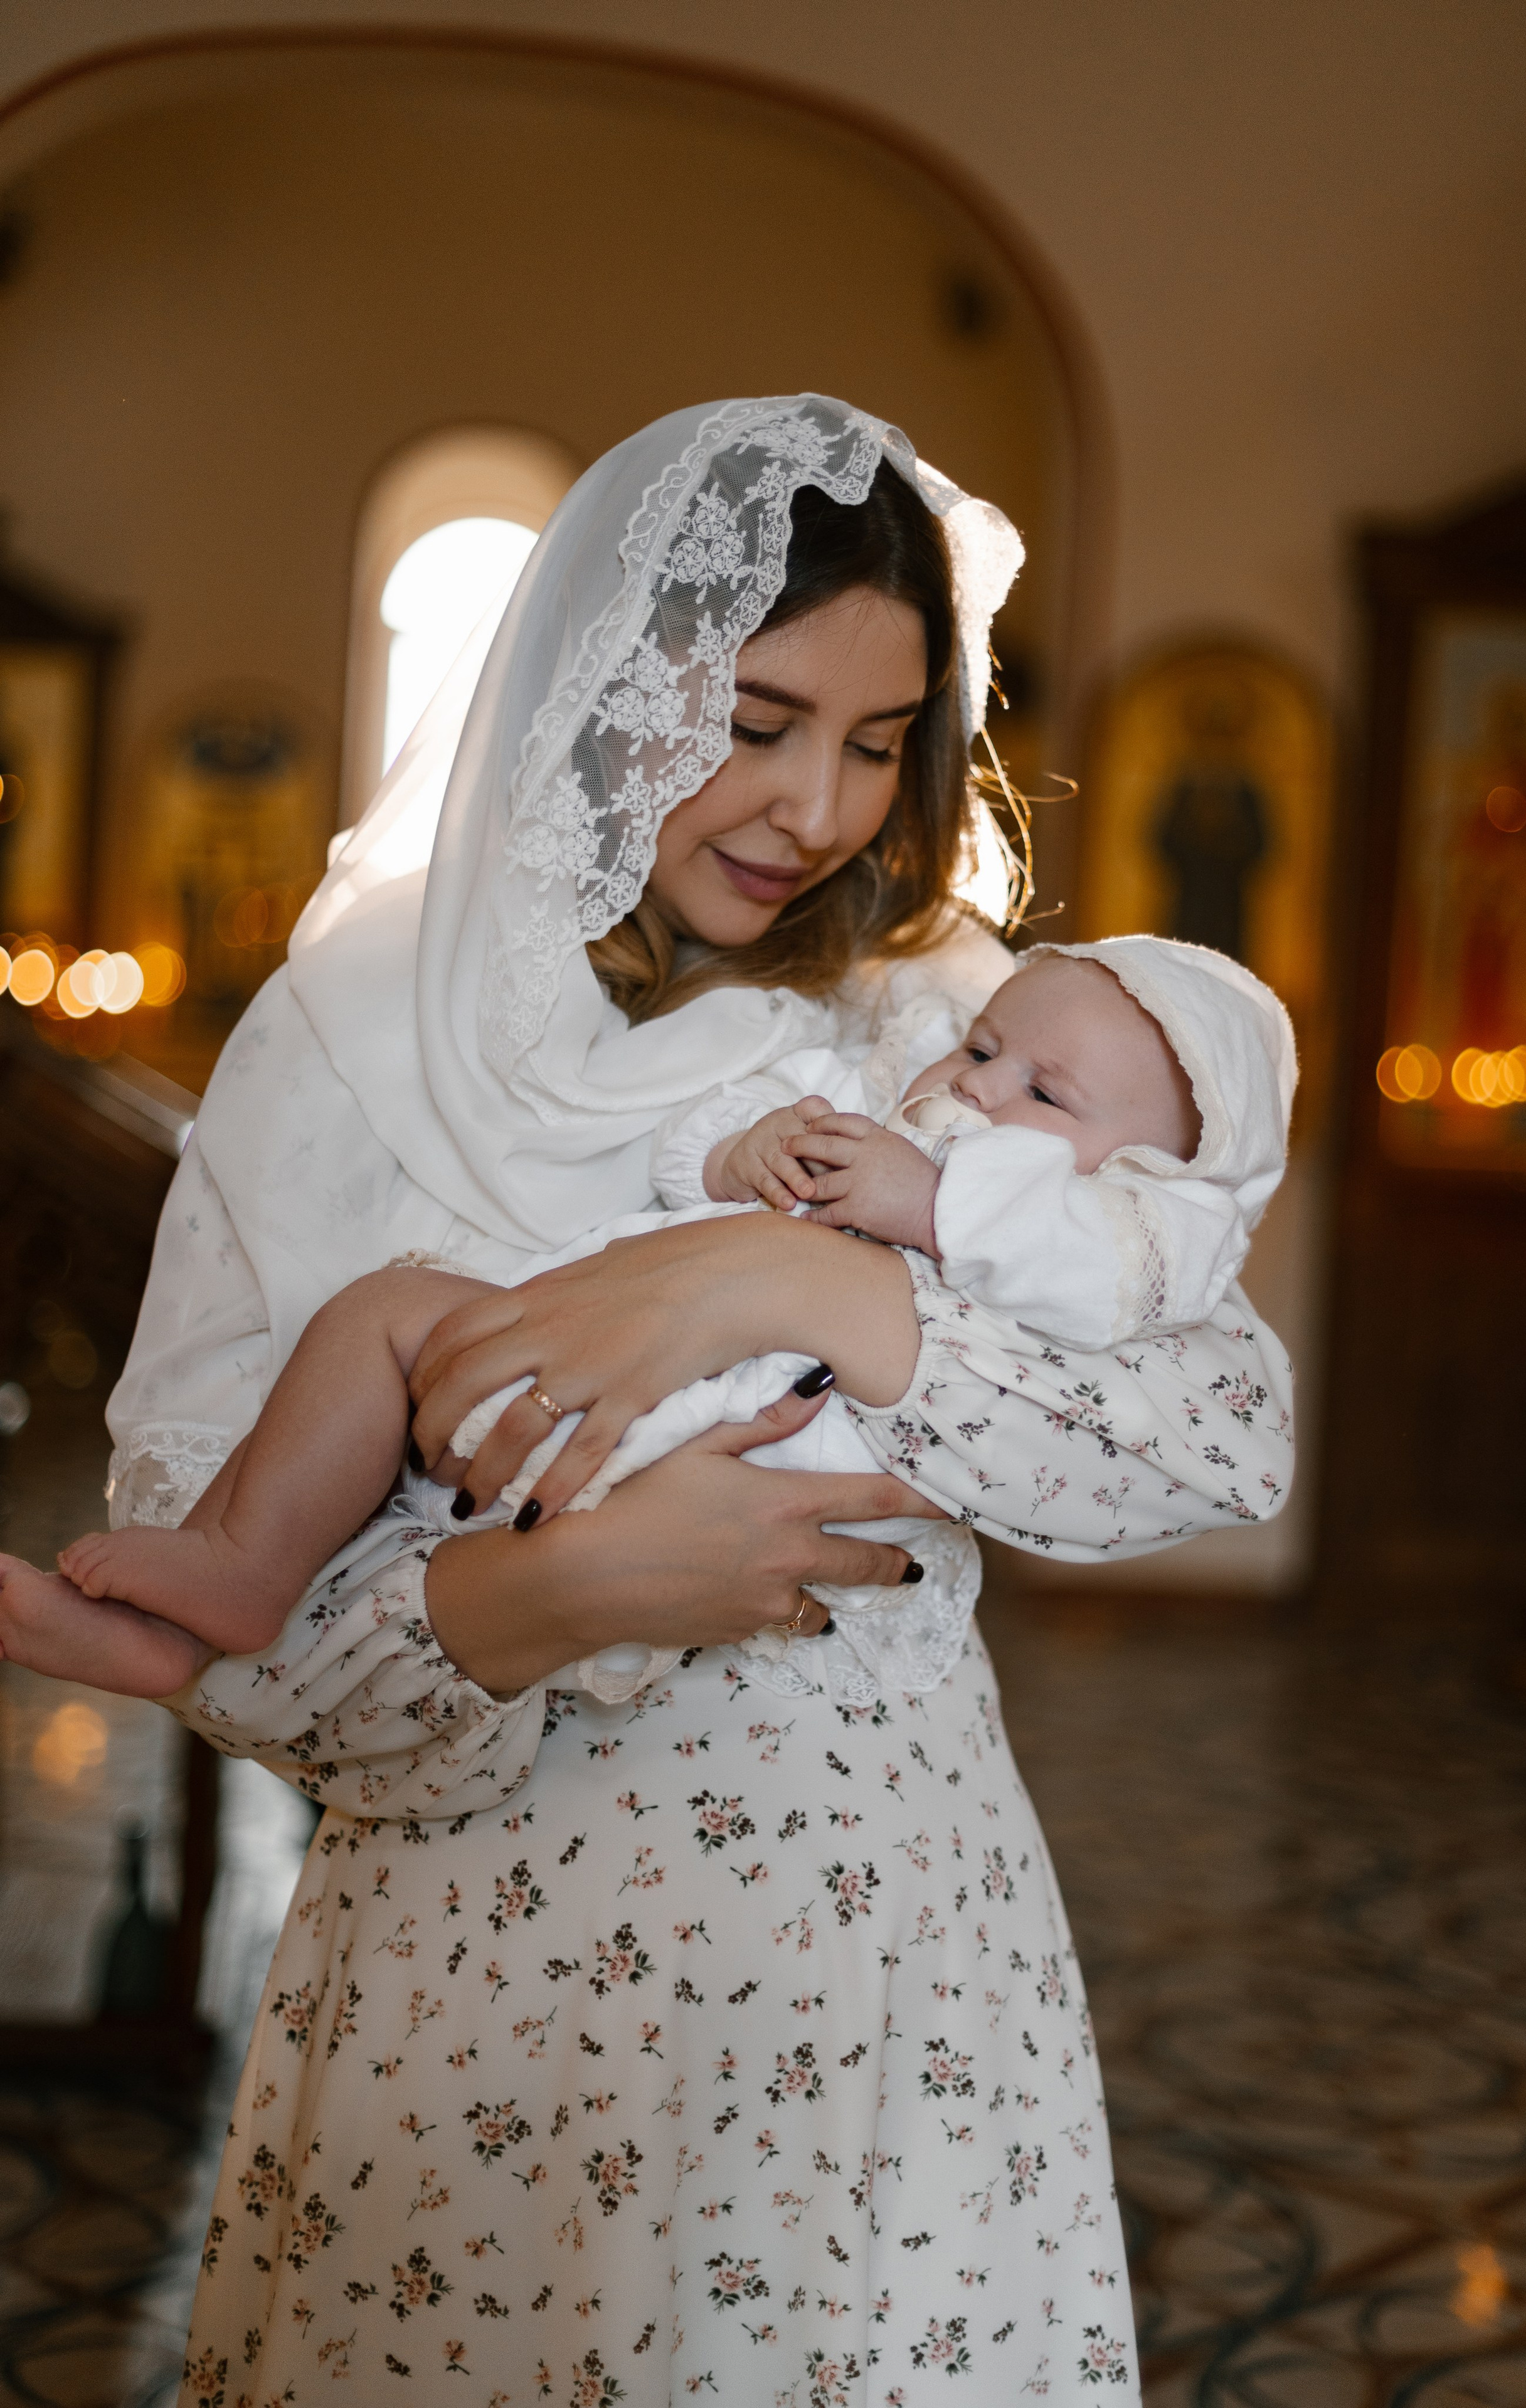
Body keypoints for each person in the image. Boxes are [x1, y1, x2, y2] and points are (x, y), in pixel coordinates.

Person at [85, 396, 1294, 2404]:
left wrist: (773, 1272)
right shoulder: (360, 1033)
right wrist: (580, 1588)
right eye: (751, 724)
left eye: (883, 742)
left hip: (880, 1975)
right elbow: (228, 1632)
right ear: (592, 680)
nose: (818, 808)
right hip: (479, 1989)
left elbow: (1207, 1432)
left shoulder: (951, 1017)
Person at [1, 934, 1294, 1710]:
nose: (975, 1088)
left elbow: (1105, 1286)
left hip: (729, 1469)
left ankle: (254, 1615)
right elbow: (693, 1152)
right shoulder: (875, 1089)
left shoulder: (1113, 1229)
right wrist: (744, 1151)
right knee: (382, 1310)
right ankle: (233, 1570)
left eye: (1042, 1091)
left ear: (1144, 1172)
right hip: (553, 1364)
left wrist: (933, 1207)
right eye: (979, 1048)